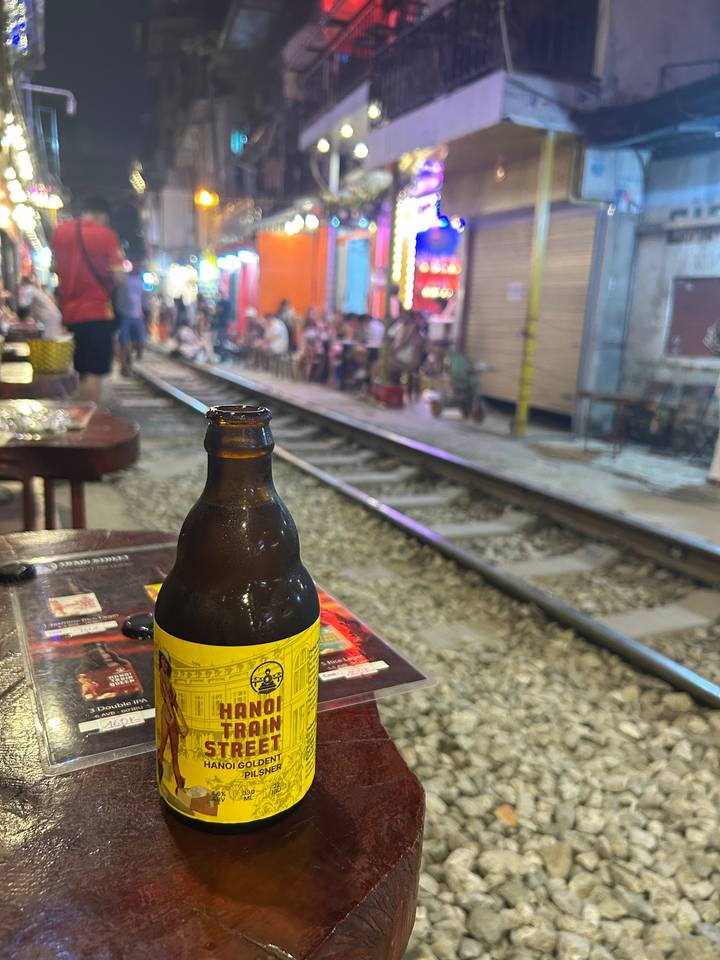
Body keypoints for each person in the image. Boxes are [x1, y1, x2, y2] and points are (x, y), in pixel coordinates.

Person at [52, 196, 125, 402]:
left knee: (81, 369)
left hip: (70, 313)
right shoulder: (106, 235)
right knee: (93, 372)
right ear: (103, 216)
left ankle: (82, 418)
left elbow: (57, 268)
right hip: (96, 312)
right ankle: (91, 424)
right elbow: (119, 276)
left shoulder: (60, 232)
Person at [114, 262, 147, 375]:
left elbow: (142, 299)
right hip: (128, 317)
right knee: (126, 342)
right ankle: (125, 365)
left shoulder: (127, 282)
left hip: (129, 317)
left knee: (128, 342)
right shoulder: (129, 282)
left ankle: (126, 364)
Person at [18, 274, 63, 339]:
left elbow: (25, 306)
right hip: (52, 316)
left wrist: (20, 318)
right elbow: (33, 307)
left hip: (50, 317)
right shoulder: (33, 289)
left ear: (23, 282)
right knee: (50, 339)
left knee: (49, 340)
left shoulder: (29, 289)